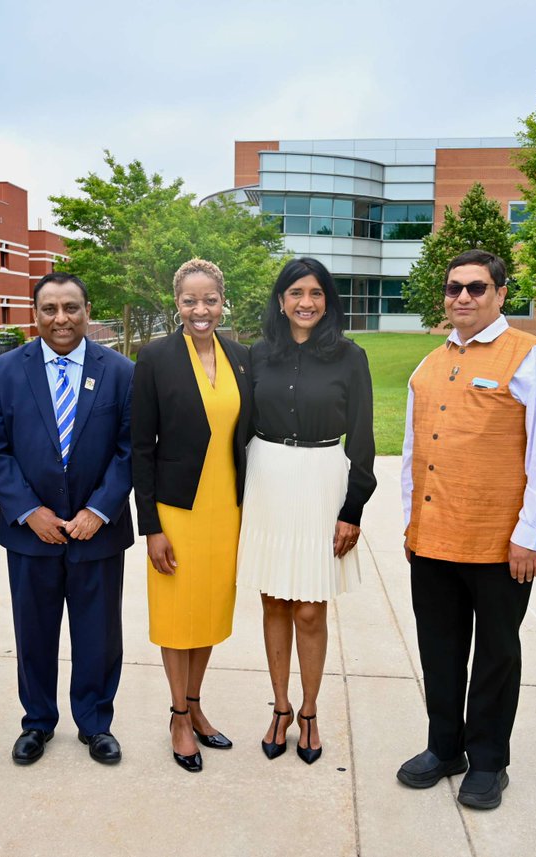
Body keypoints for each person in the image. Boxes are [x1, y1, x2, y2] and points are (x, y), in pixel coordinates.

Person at [396, 249, 536, 810]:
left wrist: (530, 532)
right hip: (432, 538)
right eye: (454, 288)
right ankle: (445, 748)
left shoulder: (531, 357)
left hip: (500, 543)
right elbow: (413, 454)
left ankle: (489, 761)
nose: (463, 297)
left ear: (500, 293)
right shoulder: (427, 364)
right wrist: (410, 524)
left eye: (476, 287)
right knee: (439, 650)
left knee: (496, 654)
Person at [0, 272, 135, 767]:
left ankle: (95, 723)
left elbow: (130, 448)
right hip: (32, 535)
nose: (61, 318)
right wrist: (28, 511)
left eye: (71, 307)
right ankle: (37, 722)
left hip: (98, 533)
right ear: (36, 314)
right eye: (49, 309)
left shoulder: (121, 372)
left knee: (99, 635)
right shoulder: (5, 371)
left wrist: (99, 510)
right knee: (34, 633)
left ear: (88, 311)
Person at [237, 256, 376, 765]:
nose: (306, 302)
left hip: (322, 483)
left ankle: (310, 712)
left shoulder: (350, 356)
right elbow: (239, 427)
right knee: (274, 601)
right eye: (296, 292)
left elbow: (362, 435)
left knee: (310, 608)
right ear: (281, 300)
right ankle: (280, 707)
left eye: (316, 293)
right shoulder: (257, 355)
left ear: (327, 301)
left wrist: (353, 508)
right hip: (268, 479)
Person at [131, 259, 252, 773]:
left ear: (223, 302)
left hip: (227, 509)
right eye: (190, 300)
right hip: (177, 511)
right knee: (176, 616)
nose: (200, 310)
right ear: (176, 303)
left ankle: (196, 705)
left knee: (207, 613)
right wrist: (151, 528)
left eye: (210, 300)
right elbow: (140, 447)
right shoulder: (155, 357)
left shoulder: (241, 357)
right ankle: (178, 716)